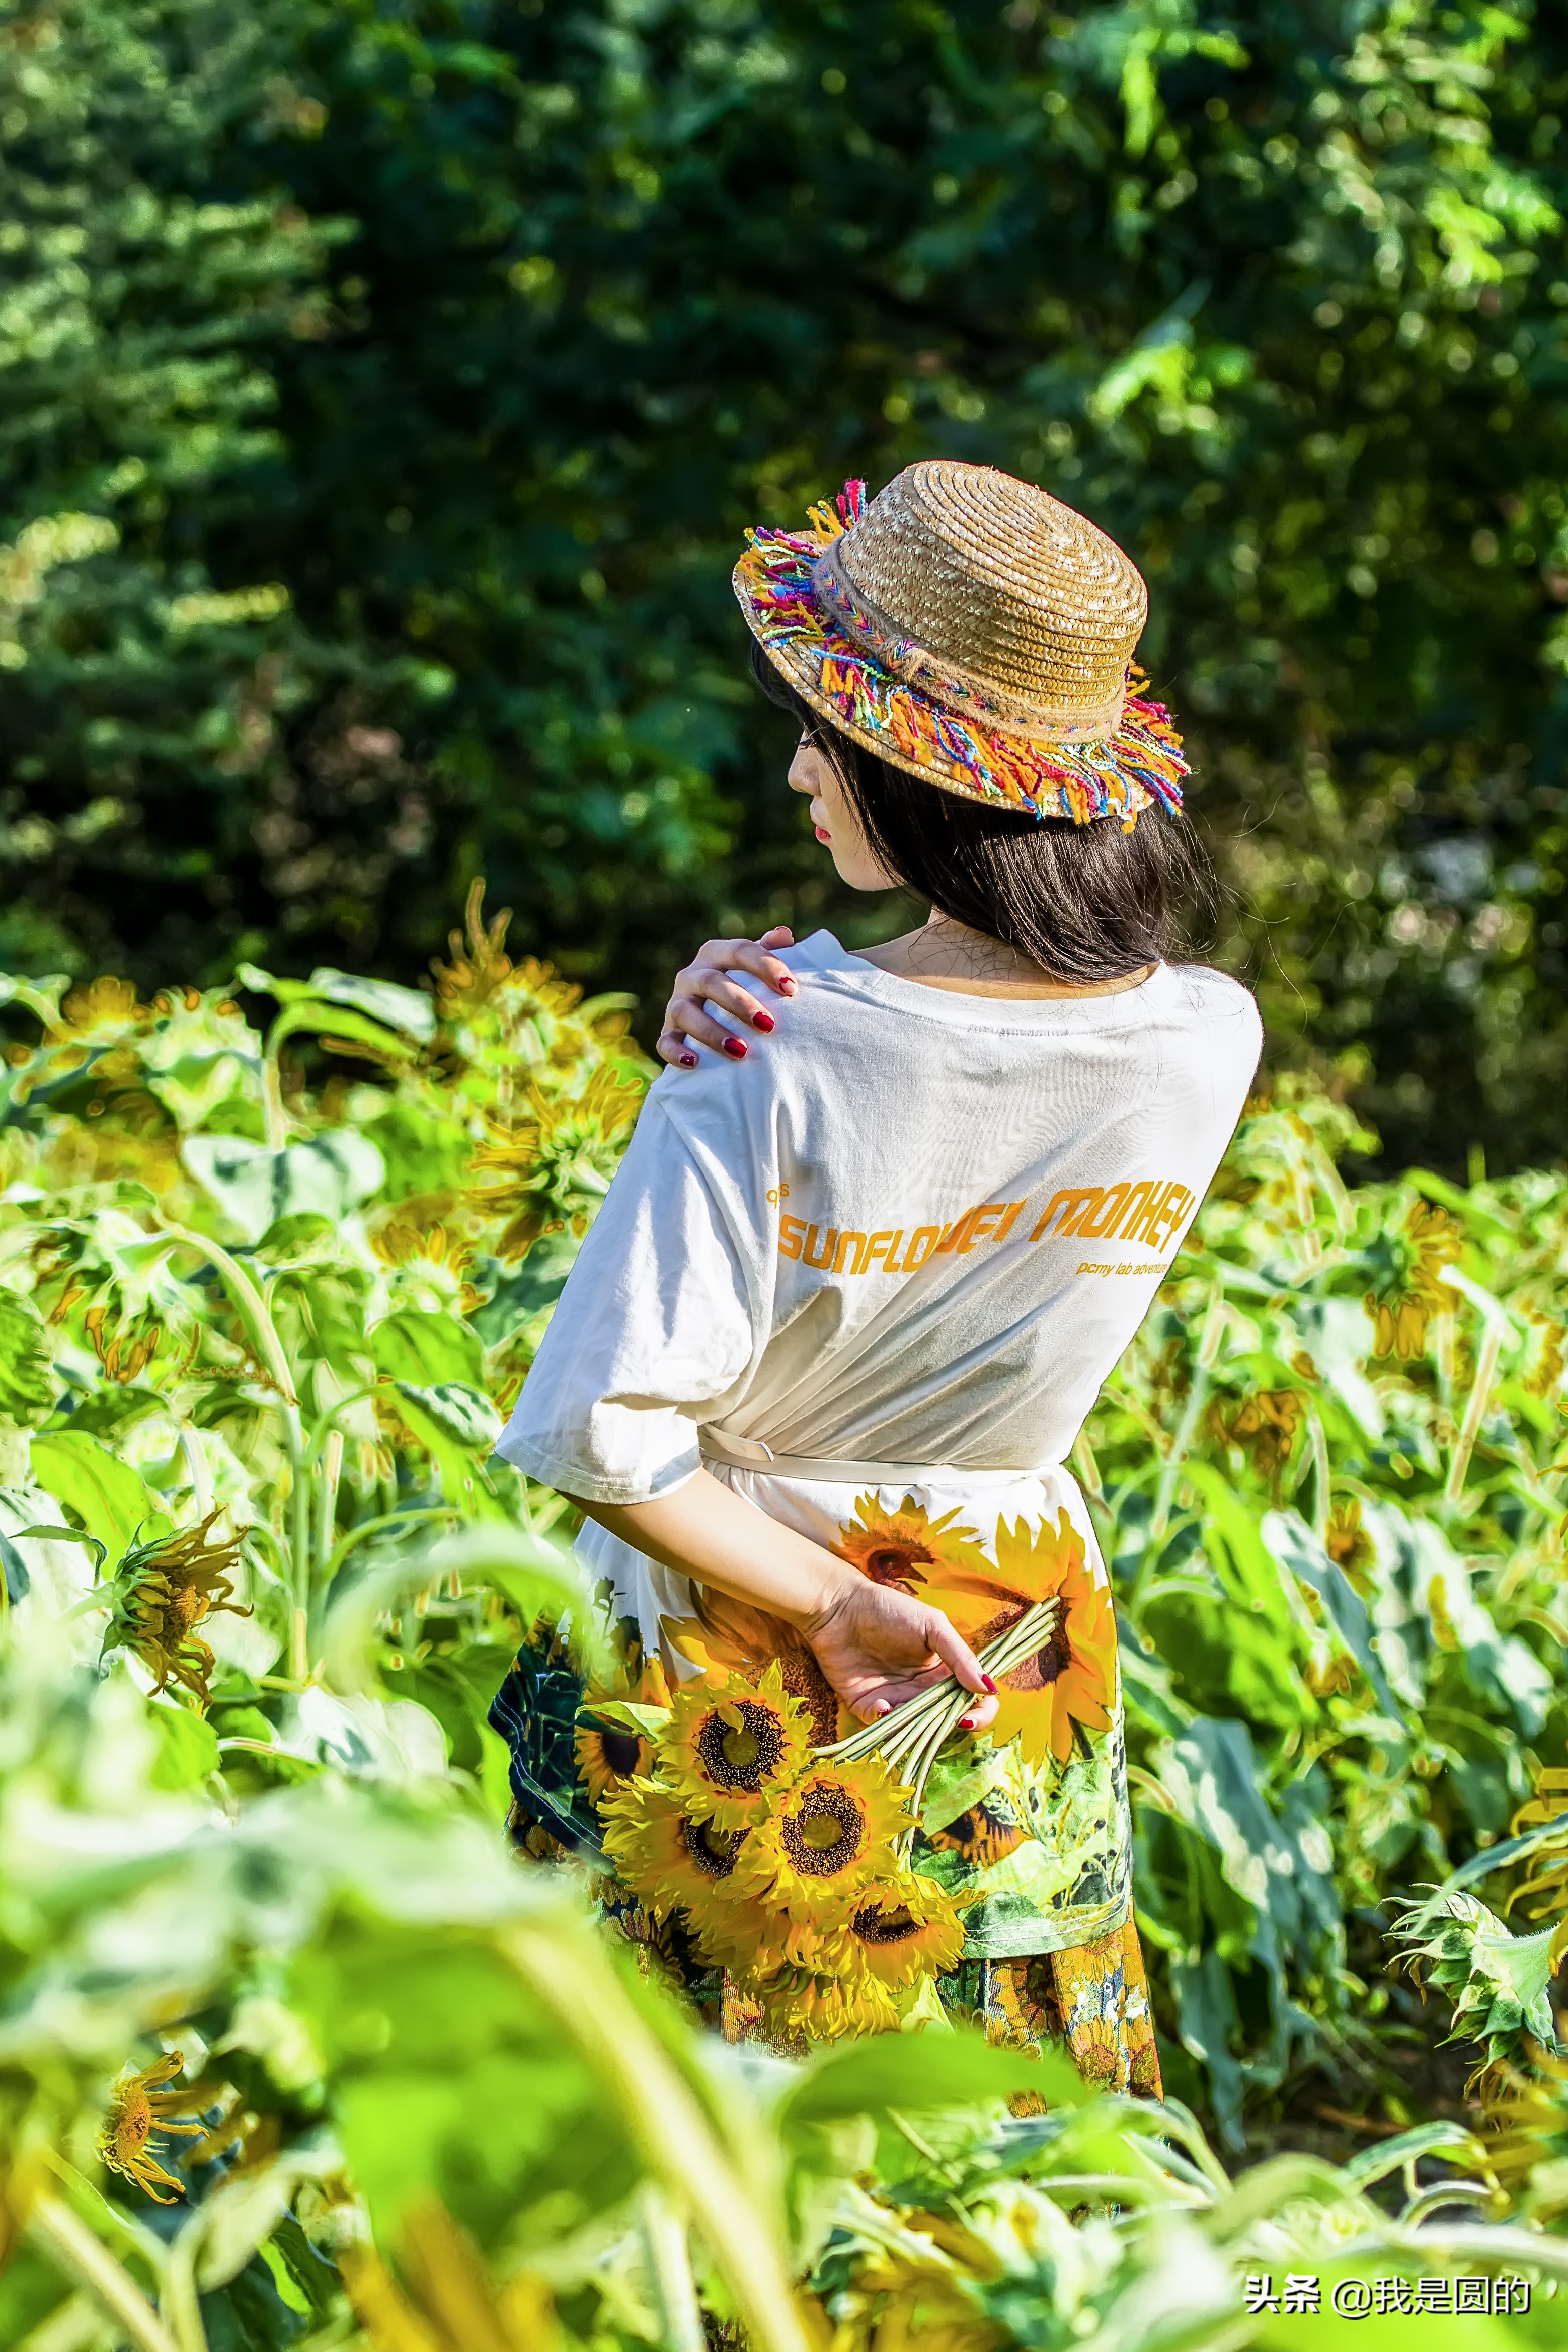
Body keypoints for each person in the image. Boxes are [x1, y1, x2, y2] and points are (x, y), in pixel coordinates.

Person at [490, 460, 1261, 2084]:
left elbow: (596, 1431)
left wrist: (838, 1601)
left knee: (696, 2115)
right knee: (999, 2096)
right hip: (1016, 1619)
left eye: (821, 738)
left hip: (737, 1626)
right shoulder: (1209, 1035)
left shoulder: (760, 1043)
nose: (794, 771)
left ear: (915, 779)